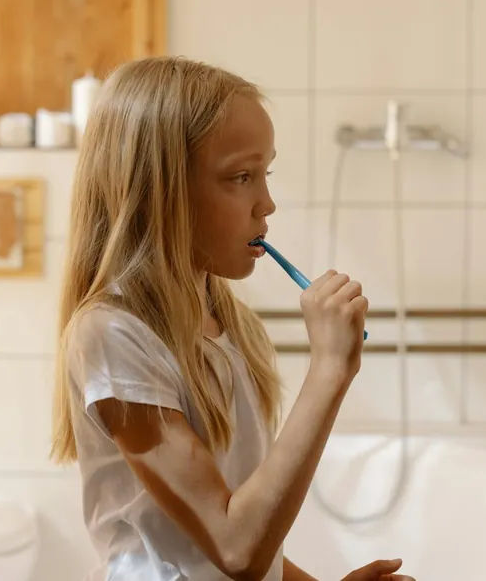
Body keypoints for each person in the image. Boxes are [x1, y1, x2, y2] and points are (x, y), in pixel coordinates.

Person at [50, 56, 414, 581]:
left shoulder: (226, 321)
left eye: (265, 174)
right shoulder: (113, 335)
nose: (266, 204)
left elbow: (241, 540)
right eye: (241, 177)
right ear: (160, 193)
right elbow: (235, 548)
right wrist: (330, 369)